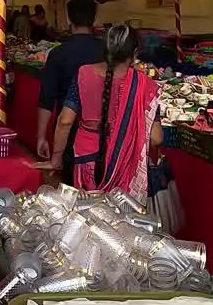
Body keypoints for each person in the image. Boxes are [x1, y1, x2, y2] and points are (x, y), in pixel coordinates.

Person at [38, 24, 162, 201]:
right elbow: (156, 138)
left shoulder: (83, 73)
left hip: (84, 160)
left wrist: (56, 159)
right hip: (124, 165)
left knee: (85, 215)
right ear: (134, 53)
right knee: (118, 219)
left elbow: (65, 121)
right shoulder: (145, 86)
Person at [36, 0, 104, 184]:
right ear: (95, 20)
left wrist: (42, 136)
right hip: (104, 131)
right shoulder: (107, 51)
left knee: (71, 189)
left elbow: (46, 99)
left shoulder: (59, 54)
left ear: (68, 19)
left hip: (69, 134)